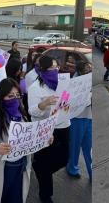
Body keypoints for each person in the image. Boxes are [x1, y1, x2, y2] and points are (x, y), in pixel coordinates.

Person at [28, 55, 70, 203]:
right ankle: (45, 194)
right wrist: (43, 104)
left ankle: (40, 169)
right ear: (43, 70)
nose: (55, 70)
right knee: (44, 163)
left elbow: (67, 103)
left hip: (63, 125)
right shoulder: (35, 88)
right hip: (44, 128)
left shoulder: (64, 83)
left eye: (56, 67)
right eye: (52, 68)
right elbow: (32, 112)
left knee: (65, 158)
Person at [66, 61, 92, 181]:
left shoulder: (89, 78)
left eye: (89, 68)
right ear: (81, 71)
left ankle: (92, 172)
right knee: (75, 146)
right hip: (76, 119)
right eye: (87, 69)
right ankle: (72, 169)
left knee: (89, 147)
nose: (89, 70)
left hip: (89, 118)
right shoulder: (73, 83)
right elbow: (68, 103)